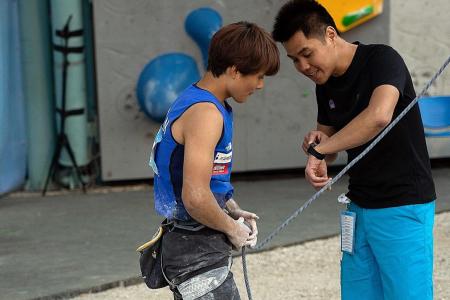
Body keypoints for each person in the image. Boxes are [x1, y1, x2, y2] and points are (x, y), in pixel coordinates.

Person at [272, 1, 436, 299]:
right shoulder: (325, 85)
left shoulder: (382, 59)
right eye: (294, 60)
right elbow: (328, 140)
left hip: (402, 204)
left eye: (307, 54)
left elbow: (378, 116)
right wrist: (315, 147)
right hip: (358, 207)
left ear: (331, 35)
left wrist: (324, 150)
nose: (303, 67)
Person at [149, 21, 279, 299]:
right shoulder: (206, 113)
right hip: (193, 247)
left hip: (193, 241)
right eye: (257, 76)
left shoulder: (200, 100)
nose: (260, 85)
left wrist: (231, 209)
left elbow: (206, 180)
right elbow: (195, 197)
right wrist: (234, 230)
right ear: (234, 70)